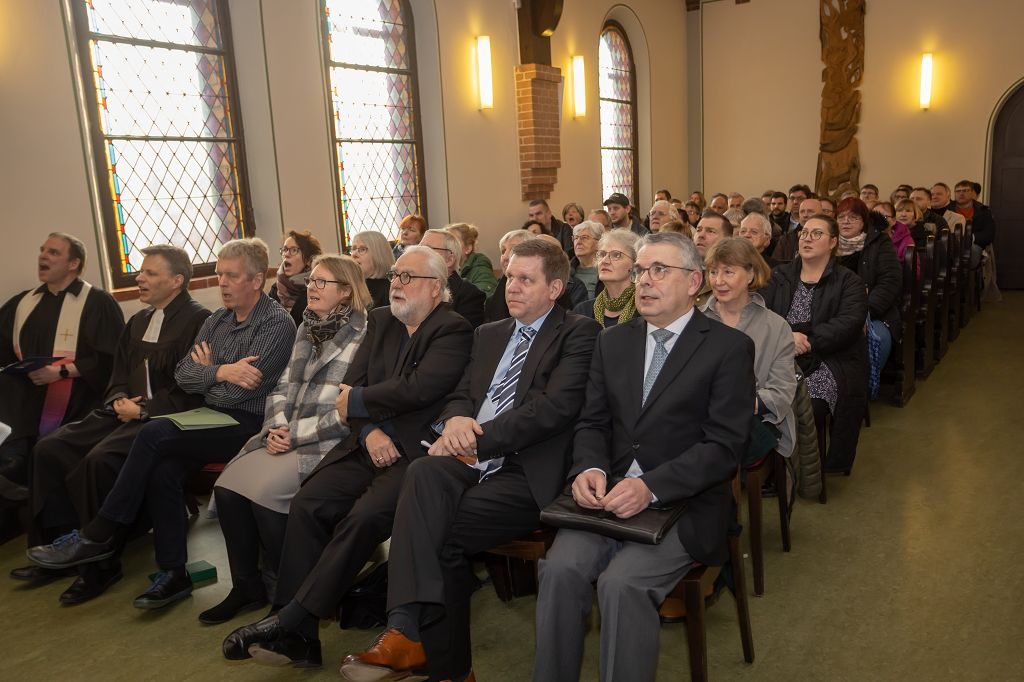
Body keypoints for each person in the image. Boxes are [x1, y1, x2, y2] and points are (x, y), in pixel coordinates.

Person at [340, 239, 600, 682]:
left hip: (524, 469)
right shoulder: (489, 333)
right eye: (509, 277)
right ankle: (408, 632)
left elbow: (552, 410)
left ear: (555, 288)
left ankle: (434, 657)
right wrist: (457, 418)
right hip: (467, 459)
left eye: (525, 279)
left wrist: (473, 441)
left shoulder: (578, 332)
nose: (512, 287)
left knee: (434, 534)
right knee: (421, 474)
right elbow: (460, 393)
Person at [221, 246, 473, 669]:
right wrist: (369, 427)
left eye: (407, 277)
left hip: (414, 456)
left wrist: (359, 402)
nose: (395, 283)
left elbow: (419, 389)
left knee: (362, 518)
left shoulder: (453, 329)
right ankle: (298, 637)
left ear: (434, 287)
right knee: (308, 504)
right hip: (367, 444)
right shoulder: (381, 321)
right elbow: (349, 390)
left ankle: (289, 618)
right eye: (394, 275)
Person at [26, 238, 295, 609]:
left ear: (256, 280)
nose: (223, 283)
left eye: (231, 276)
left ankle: (100, 532)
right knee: (162, 472)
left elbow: (244, 391)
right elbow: (185, 376)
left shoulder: (277, 322)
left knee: (153, 431)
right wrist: (223, 371)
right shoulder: (217, 320)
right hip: (208, 417)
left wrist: (211, 372)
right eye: (219, 275)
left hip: (249, 422)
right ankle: (174, 574)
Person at [533, 231, 755, 682]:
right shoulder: (613, 341)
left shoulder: (728, 348)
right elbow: (592, 422)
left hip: (686, 502)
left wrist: (650, 486)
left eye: (659, 270)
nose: (645, 281)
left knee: (621, 584)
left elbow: (724, 447)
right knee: (558, 570)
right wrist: (589, 468)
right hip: (610, 498)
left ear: (694, 282)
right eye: (640, 271)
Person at [10, 245, 209, 605]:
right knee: (50, 447)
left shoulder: (199, 321)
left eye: (150, 273)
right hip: (122, 411)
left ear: (177, 281)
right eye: (140, 271)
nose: (140, 278)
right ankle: (54, 547)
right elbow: (117, 373)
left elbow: (195, 389)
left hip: (164, 416)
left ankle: (99, 564)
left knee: (99, 459)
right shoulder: (139, 319)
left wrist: (145, 410)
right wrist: (117, 398)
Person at [202, 255, 370, 625]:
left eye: (322, 282)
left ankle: (293, 596)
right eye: (311, 281)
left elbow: (351, 409)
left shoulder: (365, 335)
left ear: (346, 291)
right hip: (285, 433)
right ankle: (247, 587)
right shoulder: (305, 327)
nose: (311, 287)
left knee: (265, 495)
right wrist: (277, 427)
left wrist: (297, 435)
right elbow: (281, 387)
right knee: (229, 487)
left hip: (329, 442)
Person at [0, 233, 123, 497]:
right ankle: (13, 468)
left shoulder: (97, 302)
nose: (43, 256)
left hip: (79, 393)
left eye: (53, 252)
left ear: (73, 264)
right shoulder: (23, 302)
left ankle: (20, 468)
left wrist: (61, 372)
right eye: (42, 250)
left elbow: (113, 358)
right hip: (29, 390)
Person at [760, 216, 869, 474]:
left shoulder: (849, 281)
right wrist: (786, 339)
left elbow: (847, 324)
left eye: (816, 233)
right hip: (778, 355)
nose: (806, 238)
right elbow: (761, 313)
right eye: (804, 232)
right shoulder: (779, 275)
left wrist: (805, 340)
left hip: (828, 359)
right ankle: (764, 464)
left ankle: (792, 472)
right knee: (751, 399)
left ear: (833, 242)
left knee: (802, 405)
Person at [701, 238, 796, 462]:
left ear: (751, 274)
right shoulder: (696, 320)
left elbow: (781, 392)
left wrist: (730, 405)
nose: (718, 281)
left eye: (728, 272)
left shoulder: (776, 326)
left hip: (755, 420)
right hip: (699, 418)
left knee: (711, 447)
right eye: (713, 272)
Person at [833, 197, 902, 372]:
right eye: (841, 217)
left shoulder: (879, 242)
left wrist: (866, 311)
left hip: (873, 312)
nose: (846, 221)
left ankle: (864, 387)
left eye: (853, 217)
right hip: (833, 310)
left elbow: (890, 280)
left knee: (878, 337)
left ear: (864, 221)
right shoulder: (828, 243)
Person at [574, 230, 640, 328]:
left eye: (616, 255)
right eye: (602, 254)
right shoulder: (582, 312)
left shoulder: (644, 310)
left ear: (634, 263)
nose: (605, 261)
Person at [420, 228, 486, 327]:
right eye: (418, 249)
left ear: (449, 260)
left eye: (428, 250)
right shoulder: (411, 285)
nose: (417, 255)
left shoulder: (468, 295)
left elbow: (462, 336)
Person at [269, 230, 322, 328]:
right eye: (284, 250)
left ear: (308, 259)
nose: (286, 254)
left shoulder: (316, 289)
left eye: (294, 250)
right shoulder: (276, 289)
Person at [485, 229, 535, 323]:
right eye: (503, 251)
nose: (505, 257)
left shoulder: (544, 289)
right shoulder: (491, 301)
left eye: (514, 250)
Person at [446, 223, 497, 297]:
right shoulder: (441, 267)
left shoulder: (480, 268)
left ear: (468, 248)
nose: (447, 246)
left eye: (453, 241)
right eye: (446, 242)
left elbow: (483, 298)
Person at [953, 179, 997, 266]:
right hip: (952, 244)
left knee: (972, 250)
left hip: (973, 245)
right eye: (958, 191)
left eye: (965, 190)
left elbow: (989, 234)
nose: (961, 193)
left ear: (972, 193)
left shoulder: (984, 210)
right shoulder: (948, 209)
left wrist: (970, 237)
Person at [349, 231, 395, 309]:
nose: (354, 254)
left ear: (379, 254)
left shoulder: (391, 290)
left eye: (362, 249)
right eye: (353, 249)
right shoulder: (351, 286)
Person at [772, 196, 821, 263]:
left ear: (821, 215)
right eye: (802, 212)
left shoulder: (826, 238)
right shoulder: (786, 239)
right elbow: (775, 266)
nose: (805, 215)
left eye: (810, 211)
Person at [569, 220, 605, 298]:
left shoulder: (606, 269)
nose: (578, 242)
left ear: (599, 243)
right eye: (576, 238)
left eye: (584, 238)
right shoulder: (566, 271)